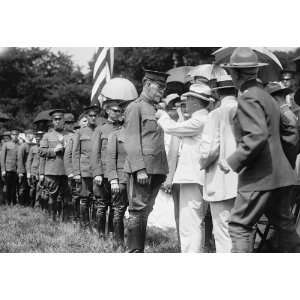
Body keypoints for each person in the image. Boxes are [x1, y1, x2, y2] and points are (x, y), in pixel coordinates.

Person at [219, 47, 300, 252]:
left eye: (230, 72)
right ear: (256, 71)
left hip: (259, 177)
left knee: (240, 225)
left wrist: (231, 161)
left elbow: (256, 136)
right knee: (285, 226)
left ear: (236, 73)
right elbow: (290, 132)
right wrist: (285, 163)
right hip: (282, 177)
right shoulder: (269, 97)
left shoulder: (248, 98)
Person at [156, 84, 214, 252]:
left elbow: (172, 128)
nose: (186, 102)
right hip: (195, 177)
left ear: (196, 101)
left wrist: (163, 116)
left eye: (188, 98)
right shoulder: (203, 118)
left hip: (193, 177)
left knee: (190, 222)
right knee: (193, 221)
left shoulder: (199, 119)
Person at [123, 69, 169, 253]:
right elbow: (132, 140)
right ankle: (134, 251)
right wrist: (140, 169)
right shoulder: (136, 107)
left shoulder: (156, 109)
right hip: (142, 170)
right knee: (137, 211)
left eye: (164, 88)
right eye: (159, 86)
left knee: (146, 211)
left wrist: (163, 170)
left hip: (157, 169)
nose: (162, 91)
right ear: (146, 83)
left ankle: (138, 249)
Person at [199, 74, 238, 252]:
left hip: (221, 179)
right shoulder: (247, 110)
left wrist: (202, 163)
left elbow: (209, 149)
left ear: (219, 93)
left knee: (222, 230)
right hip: (245, 179)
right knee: (242, 231)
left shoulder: (216, 114)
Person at [105, 101, 131, 247]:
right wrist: (113, 179)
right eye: (126, 115)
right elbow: (111, 158)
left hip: (136, 180)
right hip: (120, 180)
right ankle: (118, 242)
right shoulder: (115, 135)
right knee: (118, 211)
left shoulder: (139, 135)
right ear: (121, 117)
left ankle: (133, 243)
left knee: (135, 212)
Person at [72, 105, 99, 230]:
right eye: (91, 116)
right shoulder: (80, 132)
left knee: (96, 199)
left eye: (95, 115)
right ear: (86, 117)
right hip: (85, 171)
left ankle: (94, 224)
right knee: (84, 199)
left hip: (98, 172)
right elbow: (75, 153)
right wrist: (76, 172)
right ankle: (84, 225)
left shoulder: (100, 131)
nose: (93, 118)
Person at [39, 109, 67, 221]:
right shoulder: (47, 136)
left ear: (63, 120)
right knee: (52, 196)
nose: (57, 121)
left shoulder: (70, 135)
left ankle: (65, 219)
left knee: (66, 197)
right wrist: (54, 150)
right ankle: (52, 219)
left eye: (60, 119)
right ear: (52, 121)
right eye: (55, 119)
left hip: (66, 170)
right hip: (52, 170)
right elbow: (41, 152)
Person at [62, 113, 76, 221]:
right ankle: (62, 215)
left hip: (73, 168)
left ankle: (71, 216)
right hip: (61, 168)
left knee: (72, 193)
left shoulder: (76, 134)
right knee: (62, 195)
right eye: (67, 123)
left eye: (71, 123)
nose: (69, 125)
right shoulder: (61, 135)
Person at [1, 130, 19, 206]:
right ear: (11, 136)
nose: (15, 136)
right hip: (8, 169)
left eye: (16, 135)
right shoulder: (6, 144)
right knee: (8, 187)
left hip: (15, 169)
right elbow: (2, 158)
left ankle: (14, 202)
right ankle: (8, 202)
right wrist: (3, 169)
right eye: (14, 135)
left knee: (14, 188)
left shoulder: (18, 145)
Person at [17, 129, 35, 206]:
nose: (33, 135)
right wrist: (20, 172)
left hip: (31, 170)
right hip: (24, 171)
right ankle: (21, 204)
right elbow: (20, 159)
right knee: (23, 188)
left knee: (29, 187)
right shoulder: (23, 146)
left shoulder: (33, 145)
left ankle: (27, 203)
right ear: (27, 135)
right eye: (31, 134)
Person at [26, 131, 44, 207]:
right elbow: (29, 161)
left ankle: (37, 205)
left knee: (39, 189)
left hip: (41, 172)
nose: (38, 140)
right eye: (36, 138)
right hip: (33, 171)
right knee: (32, 189)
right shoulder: (32, 148)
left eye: (39, 138)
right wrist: (28, 172)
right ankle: (31, 203)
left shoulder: (45, 148)